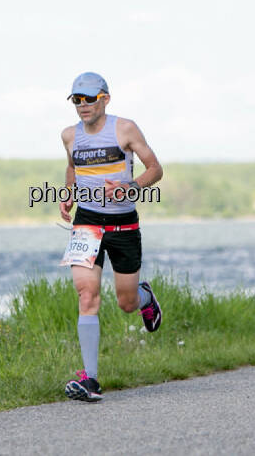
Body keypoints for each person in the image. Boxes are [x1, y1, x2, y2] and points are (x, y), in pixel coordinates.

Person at [59, 71, 163, 402]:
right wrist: (68, 193)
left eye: (90, 98)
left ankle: (145, 299)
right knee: (87, 295)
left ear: (105, 98)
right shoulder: (69, 136)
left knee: (126, 302)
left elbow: (154, 169)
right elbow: (73, 168)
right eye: (77, 99)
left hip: (123, 225)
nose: (83, 105)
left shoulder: (125, 129)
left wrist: (130, 187)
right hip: (86, 223)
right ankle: (90, 379)